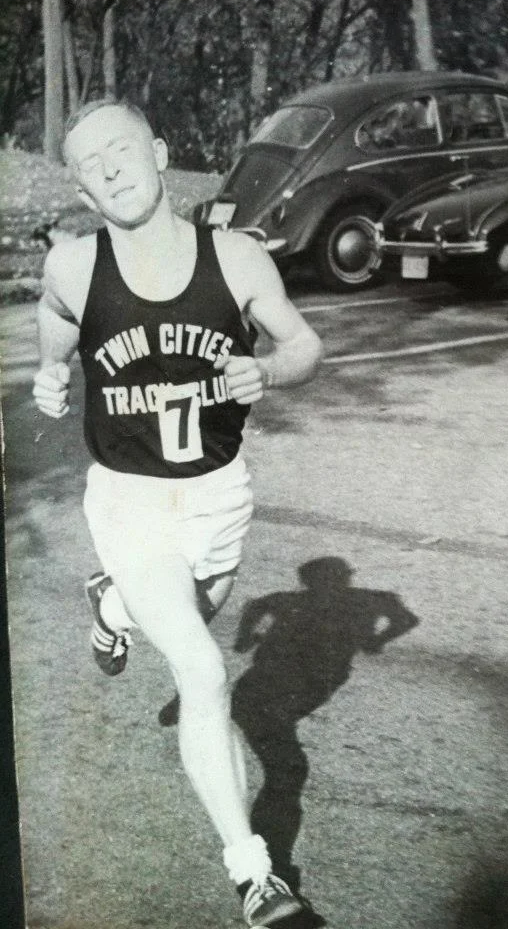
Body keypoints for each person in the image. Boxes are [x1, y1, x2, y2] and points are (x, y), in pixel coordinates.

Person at [32, 97, 323, 927]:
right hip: (129, 501)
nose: (113, 169)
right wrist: (52, 377)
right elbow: (53, 327)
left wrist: (271, 372)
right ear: (84, 191)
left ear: (159, 152)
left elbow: (304, 345)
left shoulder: (233, 258)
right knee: (200, 668)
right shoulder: (74, 268)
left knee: (192, 625)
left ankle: (114, 602)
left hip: (219, 497)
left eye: (123, 150)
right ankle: (256, 876)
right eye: (92, 164)